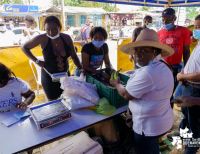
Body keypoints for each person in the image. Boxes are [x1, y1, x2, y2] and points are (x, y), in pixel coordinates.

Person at [110, 28, 174, 154]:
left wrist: (116, 84)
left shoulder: (148, 72)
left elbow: (126, 94)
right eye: (137, 50)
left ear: (155, 52)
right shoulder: (163, 65)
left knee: (145, 150)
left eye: (145, 50)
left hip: (147, 126)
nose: (139, 54)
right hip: (160, 120)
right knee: (152, 148)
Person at [22, 16, 82, 100]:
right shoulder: (42, 38)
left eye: (54, 29)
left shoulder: (67, 38)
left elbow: (74, 56)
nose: (51, 32)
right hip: (48, 78)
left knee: (68, 99)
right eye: (47, 29)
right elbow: (24, 47)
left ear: (59, 27)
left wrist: (81, 68)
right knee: (53, 103)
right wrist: (37, 61)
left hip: (64, 76)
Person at [173, 14, 200, 154]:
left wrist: (182, 75)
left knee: (195, 124)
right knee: (186, 114)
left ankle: (190, 148)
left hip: (195, 88)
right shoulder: (198, 43)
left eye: (199, 27)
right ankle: (183, 137)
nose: (196, 30)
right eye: (195, 27)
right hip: (187, 84)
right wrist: (184, 72)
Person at [158, 8, 191, 89]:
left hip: (176, 67)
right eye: (163, 19)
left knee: (173, 88)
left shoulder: (184, 31)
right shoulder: (159, 33)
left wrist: (186, 69)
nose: (165, 22)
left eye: (168, 19)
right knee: (162, 88)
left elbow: (186, 51)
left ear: (174, 18)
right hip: (162, 66)